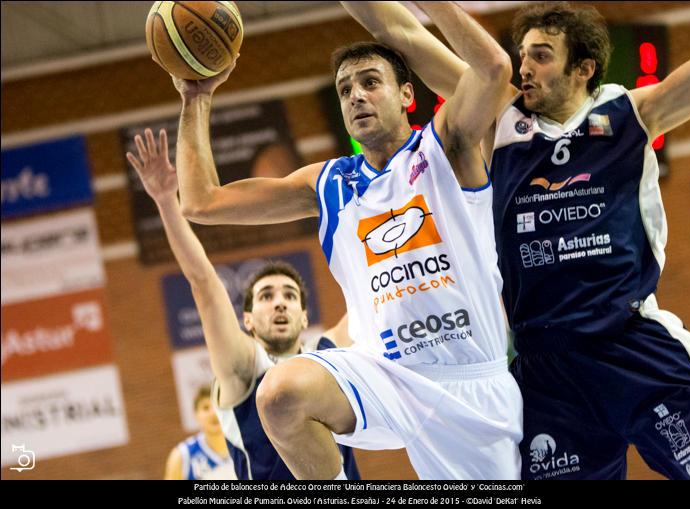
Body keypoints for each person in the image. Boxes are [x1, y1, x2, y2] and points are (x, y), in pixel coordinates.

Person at [346, 0, 690, 479]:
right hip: (547, 367)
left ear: (583, 68)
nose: (524, 67)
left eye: (541, 55)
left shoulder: (633, 113)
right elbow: (401, 31)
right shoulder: (501, 119)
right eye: (521, 55)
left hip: (631, 344)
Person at [171, 0, 522, 480]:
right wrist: (196, 97)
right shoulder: (329, 183)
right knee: (278, 393)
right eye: (345, 89)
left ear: (406, 95)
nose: (355, 95)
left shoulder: (447, 145)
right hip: (387, 377)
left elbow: (495, 69)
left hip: (469, 381)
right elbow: (201, 203)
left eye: (370, 83)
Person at [126, 129, 360, 480]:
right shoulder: (244, 368)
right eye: (267, 296)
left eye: (289, 296)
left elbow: (373, 292)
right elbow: (203, 282)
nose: (279, 303)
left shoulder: (329, 353)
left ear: (304, 316)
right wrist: (165, 201)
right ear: (248, 320)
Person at [164, 385, 235, 480]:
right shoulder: (182, 456)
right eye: (206, 408)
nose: (213, 413)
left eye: (217, 405)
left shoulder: (244, 446)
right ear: (196, 415)